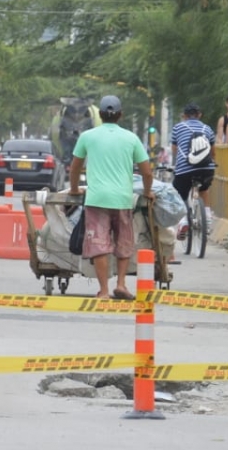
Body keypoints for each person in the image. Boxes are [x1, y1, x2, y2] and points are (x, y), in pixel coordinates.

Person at [67, 96, 154, 301]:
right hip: (123, 199)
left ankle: (104, 291)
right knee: (123, 242)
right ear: (120, 115)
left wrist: (74, 189)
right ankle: (121, 284)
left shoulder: (87, 136)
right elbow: (147, 173)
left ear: (100, 115)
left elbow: (75, 167)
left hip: (97, 200)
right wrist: (148, 192)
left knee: (99, 244)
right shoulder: (131, 138)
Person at [171, 103, 217, 232]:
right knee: (204, 190)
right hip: (206, 168)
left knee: (180, 192)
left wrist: (179, 164)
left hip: (185, 169)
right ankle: (207, 219)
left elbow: (175, 150)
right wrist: (212, 164)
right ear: (199, 115)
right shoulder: (207, 129)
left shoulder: (177, 128)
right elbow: (213, 152)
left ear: (184, 116)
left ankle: (183, 221)